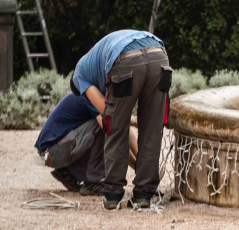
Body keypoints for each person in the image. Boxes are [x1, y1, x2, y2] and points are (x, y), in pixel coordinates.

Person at [72, 29, 172, 211]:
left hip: (125, 60)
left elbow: (110, 117)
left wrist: (119, 118)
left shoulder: (79, 76)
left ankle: (113, 195)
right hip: (159, 55)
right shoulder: (95, 58)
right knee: (152, 129)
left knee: (114, 128)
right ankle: (143, 194)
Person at [35, 92, 142, 195]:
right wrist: (140, 167)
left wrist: (140, 165)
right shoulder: (92, 96)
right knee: (103, 127)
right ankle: (93, 183)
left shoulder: (95, 93)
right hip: (51, 152)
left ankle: (69, 173)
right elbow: (114, 133)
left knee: (106, 129)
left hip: (52, 151)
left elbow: (122, 130)